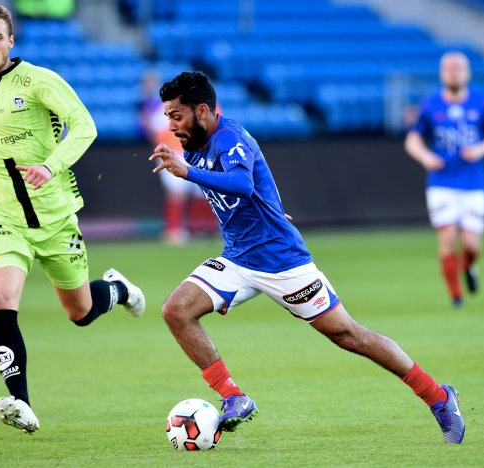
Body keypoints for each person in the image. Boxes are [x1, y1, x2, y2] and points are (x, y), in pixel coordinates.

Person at [150, 71, 465, 443]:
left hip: (282, 262)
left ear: (202, 110)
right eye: (168, 116)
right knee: (176, 310)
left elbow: (242, 184)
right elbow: (253, 192)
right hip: (237, 259)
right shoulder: (194, 142)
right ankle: (233, 396)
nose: (171, 126)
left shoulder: (229, 138)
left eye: (176, 116)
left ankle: (438, 396)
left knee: (349, 335)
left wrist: (188, 173)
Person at [0, 2, 145, 434]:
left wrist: (50, 166)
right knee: (1, 302)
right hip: (2, 220)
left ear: (11, 40)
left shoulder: (38, 80)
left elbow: (84, 125)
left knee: (80, 313)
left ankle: (118, 289)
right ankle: (21, 402)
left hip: (55, 219)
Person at [404, 51, 484, 308]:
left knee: (471, 245)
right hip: (442, 182)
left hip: (473, 182)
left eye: (458, 67)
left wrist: (480, 149)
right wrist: (426, 157)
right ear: (441, 73)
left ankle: (469, 266)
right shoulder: (430, 104)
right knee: (447, 239)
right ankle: (456, 296)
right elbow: (413, 139)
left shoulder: (481, 102)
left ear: (468, 73)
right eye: (449, 68)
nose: (454, 71)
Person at [139, 70, 216, 245]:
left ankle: (200, 229)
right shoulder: (164, 108)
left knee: (201, 191)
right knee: (177, 192)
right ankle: (173, 231)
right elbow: (153, 129)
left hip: (196, 153)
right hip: (174, 153)